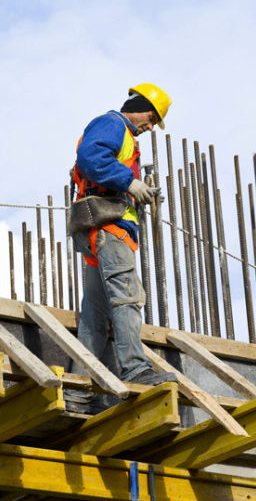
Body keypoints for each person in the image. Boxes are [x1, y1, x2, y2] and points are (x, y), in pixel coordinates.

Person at [64, 84, 176, 414]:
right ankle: (136, 369)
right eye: (152, 118)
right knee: (128, 297)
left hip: (99, 231)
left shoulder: (125, 137)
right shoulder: (114, 124)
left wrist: (135, 190)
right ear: (138, 107)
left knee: (95, 317)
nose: (151, 126)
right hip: (109, 231)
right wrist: (129, 183)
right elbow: (91, 157)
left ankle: (78, 391)